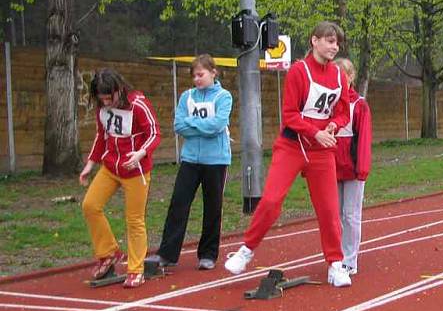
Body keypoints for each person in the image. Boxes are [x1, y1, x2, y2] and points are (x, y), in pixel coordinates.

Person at [224, 21, 352, 286]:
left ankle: (335, 264)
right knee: (271, 201)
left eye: (337, 42)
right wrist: (314, 132)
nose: (334, 46)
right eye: (329, 41)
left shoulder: (339, 76)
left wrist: (333, 125)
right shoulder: (298, 71)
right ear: (314, 41)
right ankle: (246, 250)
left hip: (321, 151)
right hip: (293, 146)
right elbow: (291, 115)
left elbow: (343, 111)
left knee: (329, 210)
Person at [149, 54, 232, 271]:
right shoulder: (186, 97)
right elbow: (179, 126)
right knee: (179, 203)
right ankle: (167, 254)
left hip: (216, 161)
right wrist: (200, 126)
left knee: (212, 207)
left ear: (213, 72)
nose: (197, 79)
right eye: (194, 75)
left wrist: (193, 124)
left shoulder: (224, 97)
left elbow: (217, 125)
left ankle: (208, 254)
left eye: (201, 74)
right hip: (190, 159)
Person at [80, 69, 161, 288]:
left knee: (134, 220)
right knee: (90, 205)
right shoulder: (102, 108)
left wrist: (140, 154)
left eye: (110, 97)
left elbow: (154, 134)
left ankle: (136, 269)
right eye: (102, 98)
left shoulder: (138, 104)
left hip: (136, 170)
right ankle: (108, 253)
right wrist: (90, 164)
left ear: (119, 90)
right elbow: (101, 136)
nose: (106, 102)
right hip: (110, 167)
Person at [333, 58, 373, 275]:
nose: (339, 80)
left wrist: (362, 168)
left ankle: (350, 259)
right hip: (332, 167)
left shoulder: (359, 105)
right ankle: (336, 257)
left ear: (351, 77)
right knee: (335, 215)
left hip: (352, 167)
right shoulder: (328, 103)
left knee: (350, 214)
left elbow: (364, 139)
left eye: (343, 75)